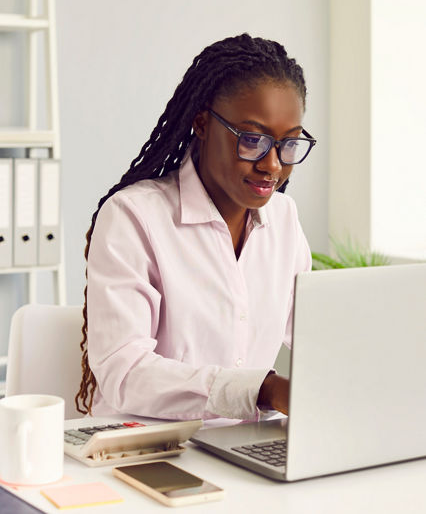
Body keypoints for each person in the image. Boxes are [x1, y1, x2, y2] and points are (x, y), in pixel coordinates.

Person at [75, 33, 316, 421]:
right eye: (252, 139)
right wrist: (262, 390)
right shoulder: (134, 217)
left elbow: (317, 338)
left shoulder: (284, 219)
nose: (272, 165)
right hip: (144, 449)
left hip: (244, 445)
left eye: (289, 144)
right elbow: (124, 371)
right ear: (202, 124)